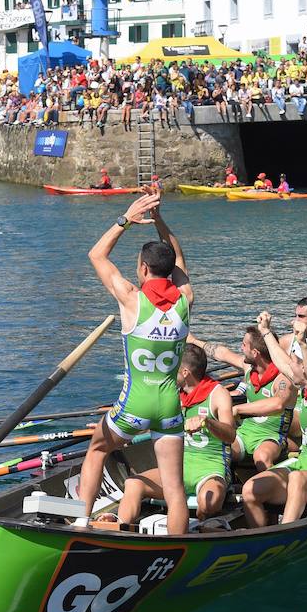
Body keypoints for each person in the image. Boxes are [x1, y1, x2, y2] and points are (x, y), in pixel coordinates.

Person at [77, 189, 194, 534]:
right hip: (171, 404)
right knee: (174, 489)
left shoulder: (131, 299)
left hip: (135, 404)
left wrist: (127, 217)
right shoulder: (185, 300)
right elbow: (179, 261)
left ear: (143, 269)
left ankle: (81, 524)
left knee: (97, 448)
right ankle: (178, 549)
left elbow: (96, 254)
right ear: (170, 270)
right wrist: (160, 220)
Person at [241, 310, 307, 526]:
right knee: (250, 491)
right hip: (302, 463)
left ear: (306, 366)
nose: (288, 367)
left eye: (294, 362)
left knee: (297, 479)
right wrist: (265, 332)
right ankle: (261, 539)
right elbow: (280, 360)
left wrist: (302, 344)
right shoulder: (302, 386)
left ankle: (284, 534)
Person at [116, 344, 236, 528]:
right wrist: (116, 427)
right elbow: (147, 420)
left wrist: (207, 422)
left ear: (185, 372)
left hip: (210, 469)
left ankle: (203, 527)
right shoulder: (169, 392)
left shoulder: (219, 394)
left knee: (208, 502)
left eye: (172, 367)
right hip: (175, 468)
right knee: (133, 483)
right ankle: (120, 528)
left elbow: (230, 435)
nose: (167, 371)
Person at [192, 325, 295, 472]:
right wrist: (193, 340)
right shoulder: (248, 369)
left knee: (261, 456)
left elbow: (278, 404)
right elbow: (222, 353)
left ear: (255, 353)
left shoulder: (282, 378)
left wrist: (238, 409)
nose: (241, 348)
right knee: (216, 448)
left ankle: (275, 488)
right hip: (244, 434)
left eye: (244, 345)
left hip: (270, 437)